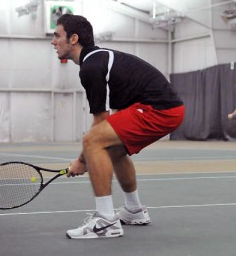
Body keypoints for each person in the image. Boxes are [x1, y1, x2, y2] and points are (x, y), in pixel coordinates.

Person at [51, 14, 184, 239]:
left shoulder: (92, 66)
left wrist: (82, 160)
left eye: (57, 36)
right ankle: (134, 210)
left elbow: (100, 121)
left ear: (73, 38)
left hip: (160, 109)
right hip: (166, 108)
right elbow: (112, 116)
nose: (53, 42)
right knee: (113, 148)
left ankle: (105, 221)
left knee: (92, 141)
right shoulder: (96, 60)